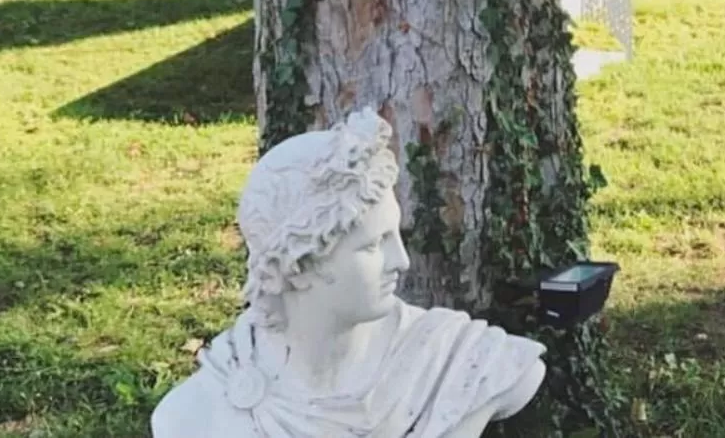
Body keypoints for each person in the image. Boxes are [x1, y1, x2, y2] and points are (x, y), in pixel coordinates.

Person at [152, 108, 545, 438]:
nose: (402, 261)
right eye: (373, 245)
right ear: (297, 267)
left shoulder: (457, 363)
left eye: (396, 235)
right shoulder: (202, 408)